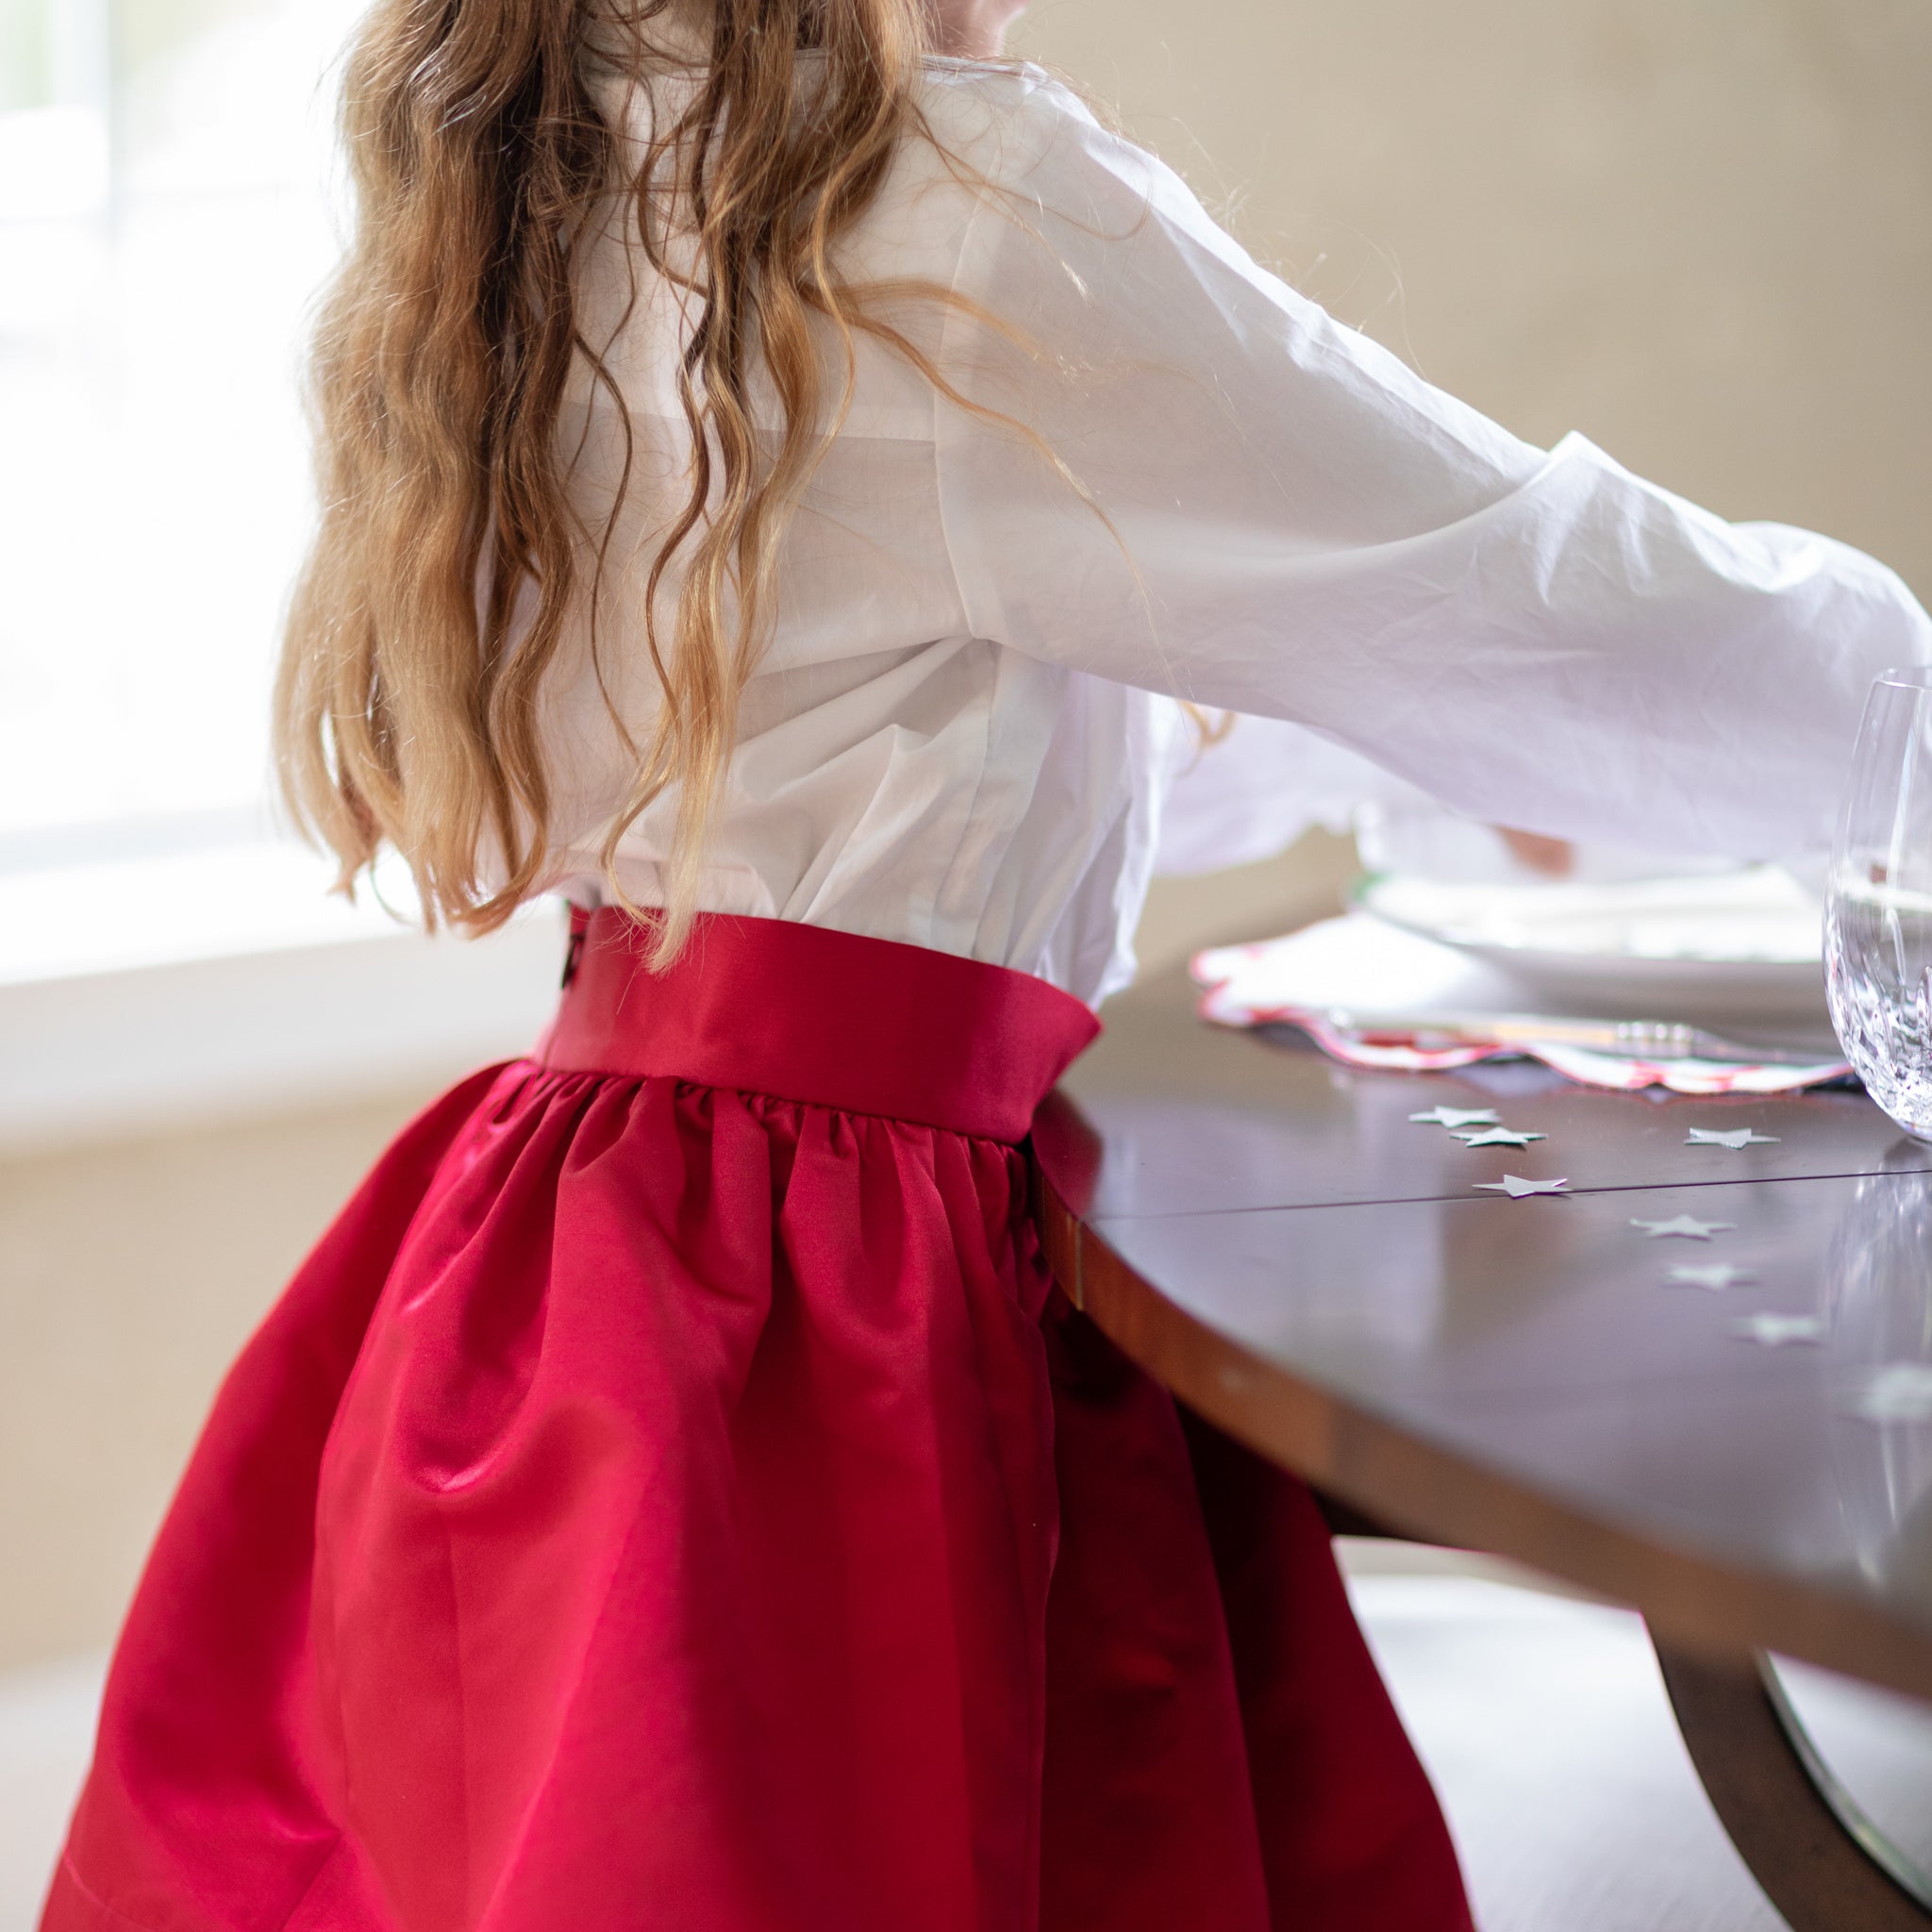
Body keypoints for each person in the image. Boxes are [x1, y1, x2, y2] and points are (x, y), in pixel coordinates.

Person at [42, 1, 1930, 1928]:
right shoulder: (952, 206)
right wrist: (1894, 706)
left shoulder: (570, 157)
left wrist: (1425, 771)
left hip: (566, 1255)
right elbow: (1514, 586)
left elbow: (931, 711)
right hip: (833, 1307)